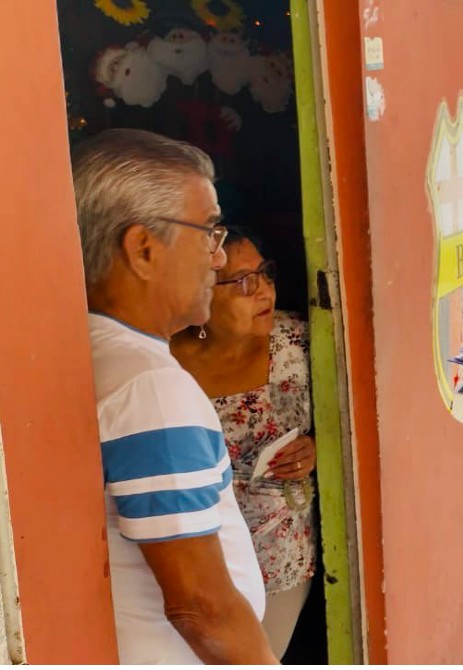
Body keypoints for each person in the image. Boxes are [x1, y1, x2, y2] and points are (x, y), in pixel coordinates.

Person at [73, 128, 276, 664]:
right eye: (209, 232)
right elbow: (201, 607)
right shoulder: (151, 390)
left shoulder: (89, 352)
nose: (217, 259)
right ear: (143, 249)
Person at [170, 229, 317, 659]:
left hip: (280, 559)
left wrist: (316, 449)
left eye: (265, 273)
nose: (264, 289)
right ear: (200, 296)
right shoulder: (163, 360)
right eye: (242, 281)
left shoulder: (301, 342)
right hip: (193, 560)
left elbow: (351, 415)